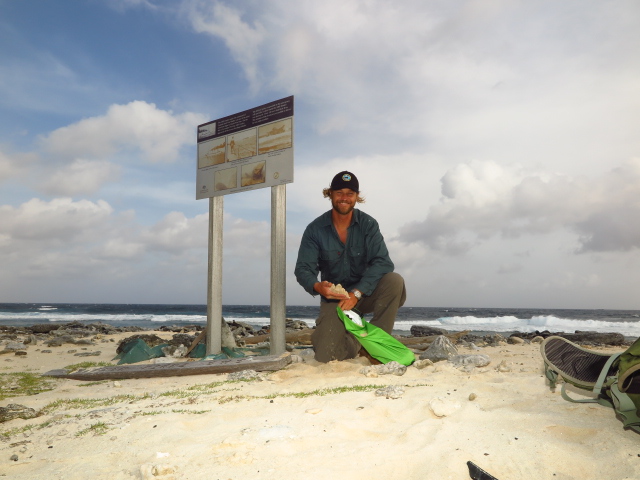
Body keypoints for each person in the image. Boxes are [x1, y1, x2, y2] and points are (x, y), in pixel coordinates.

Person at [294, 171, 406, 362]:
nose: (344, 198)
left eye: (350, 193)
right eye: (339, 192)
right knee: (326, 356)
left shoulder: (368, 224)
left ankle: (375, 348)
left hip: (365, 294)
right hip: (335, 300)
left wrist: (357, 293)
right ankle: (357, 342)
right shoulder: (315, 229)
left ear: (356, 197)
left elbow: (383, 262)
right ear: (330, 194)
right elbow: (303, 269)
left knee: (394, 280)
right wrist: (317, 286)